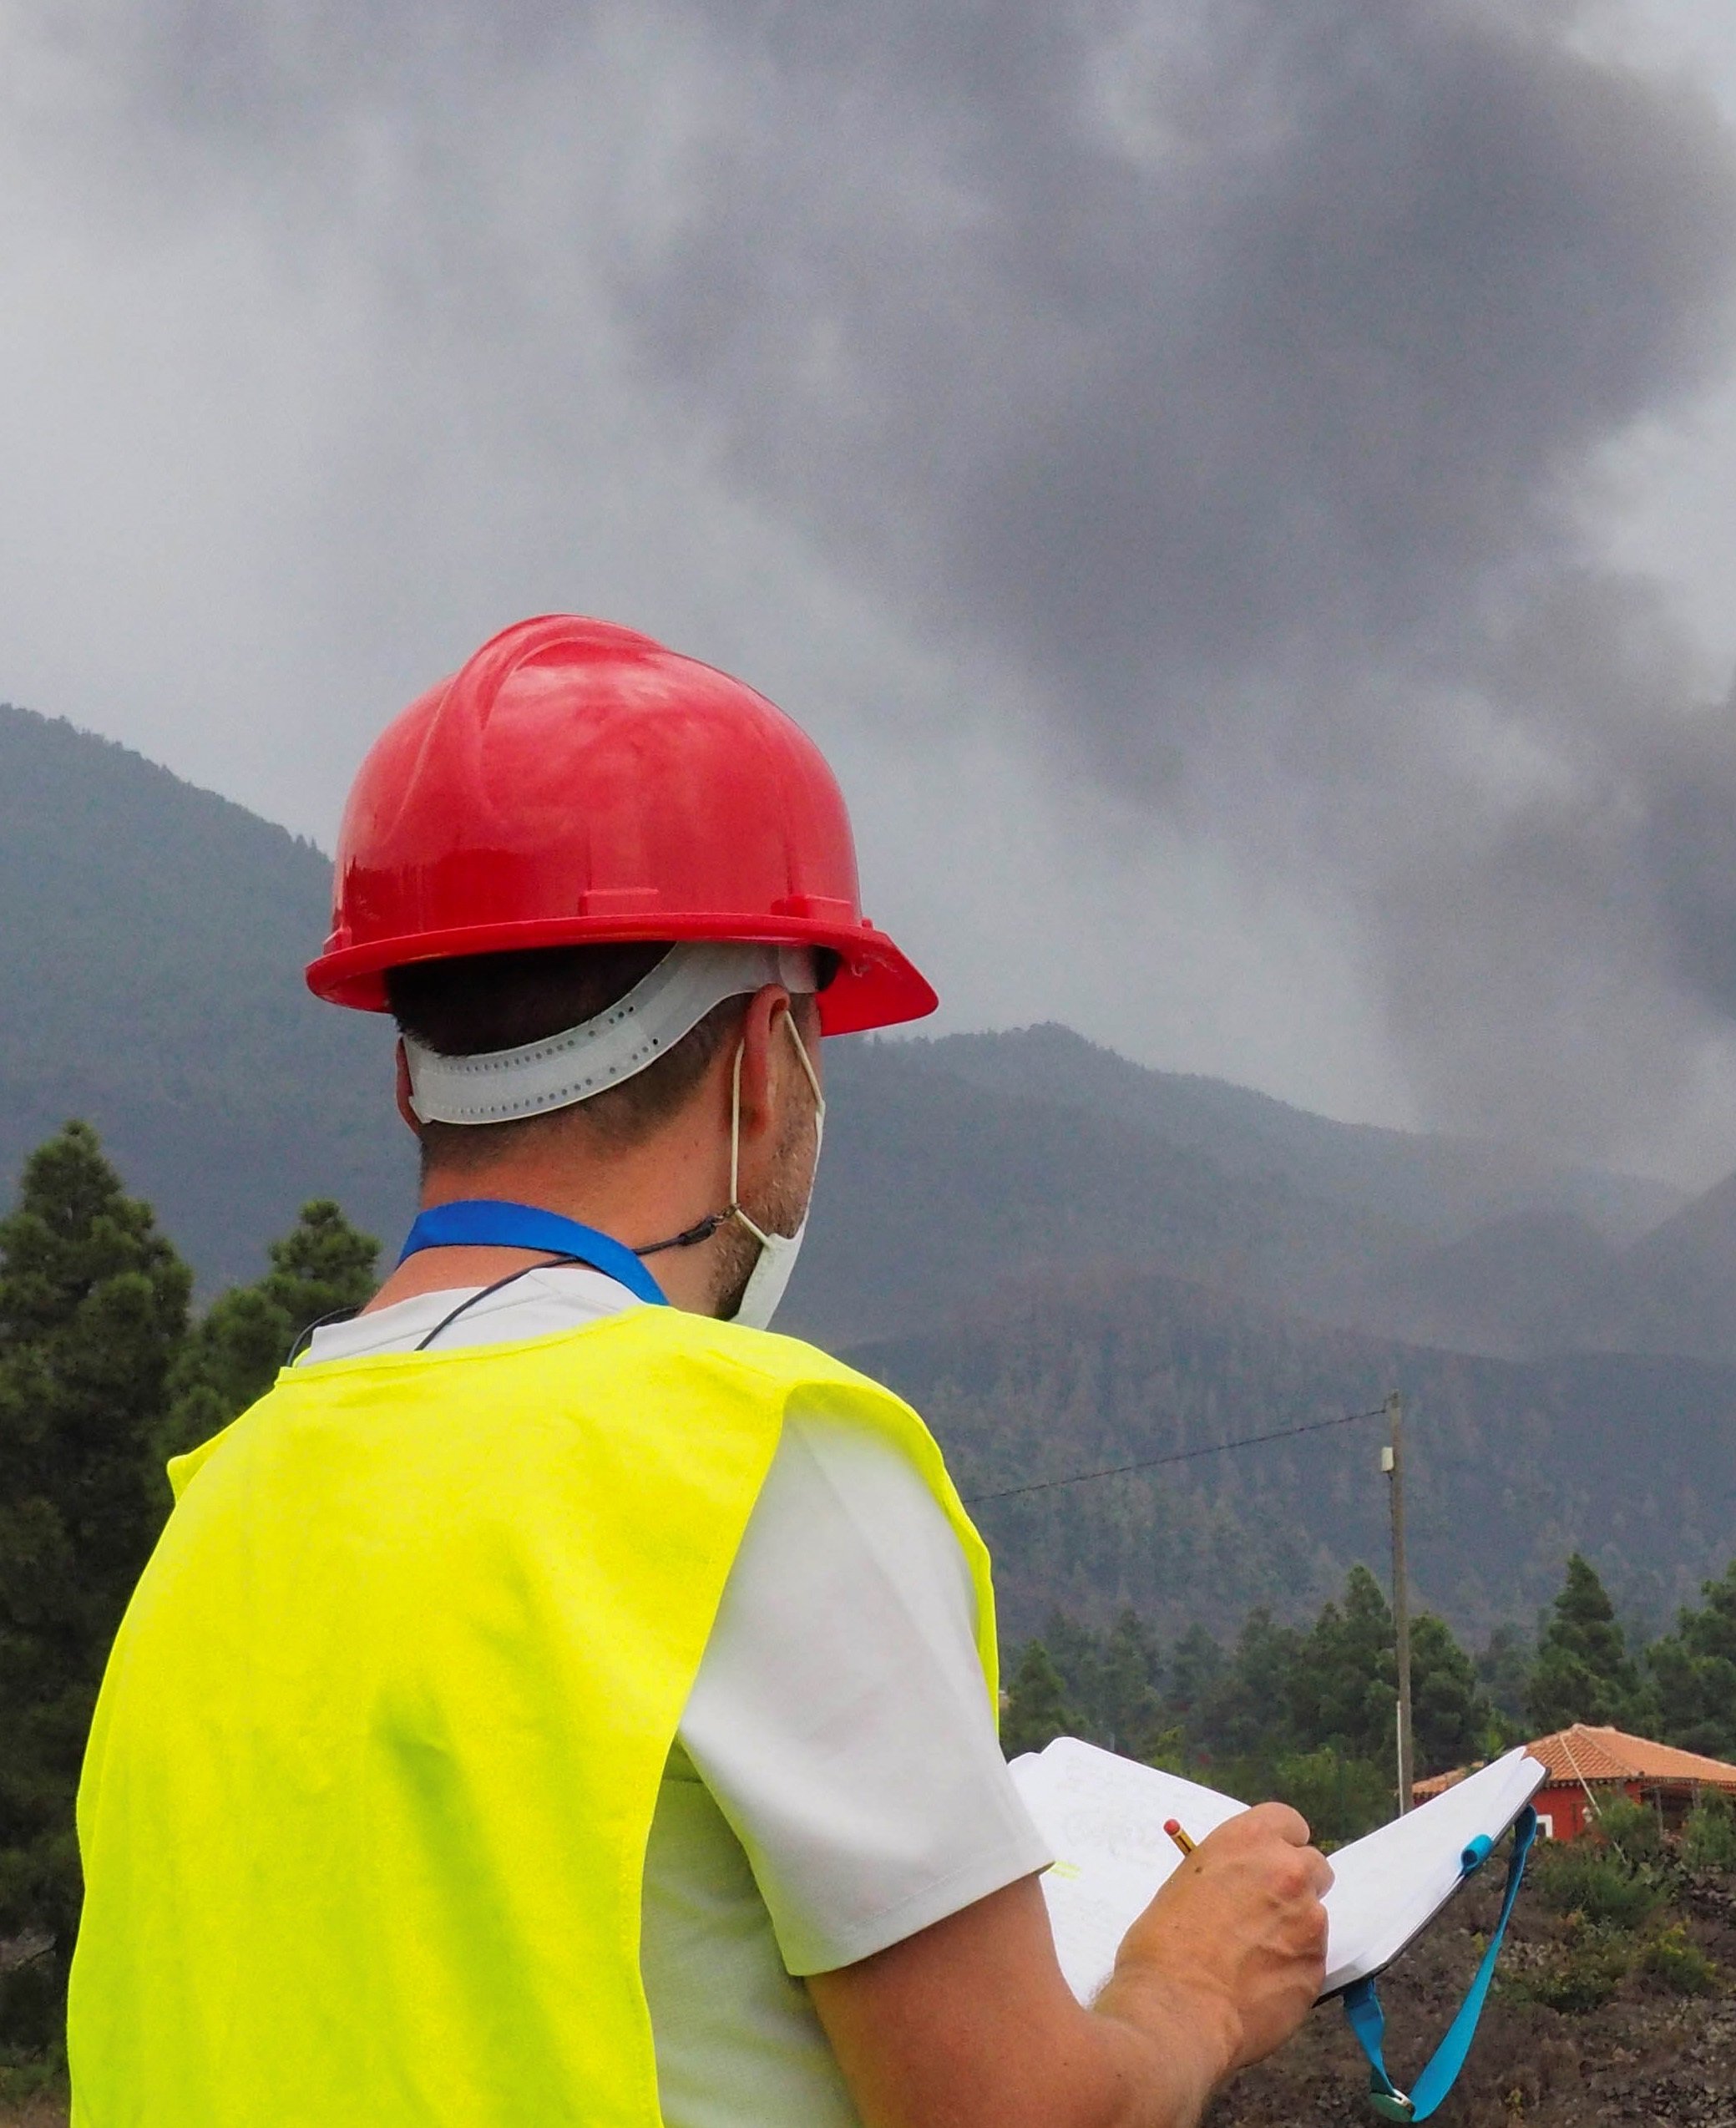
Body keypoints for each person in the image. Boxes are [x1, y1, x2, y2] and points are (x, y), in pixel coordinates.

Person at [69, 616, 1330, 2126]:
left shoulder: (219, 1506)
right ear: (764, 1060)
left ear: (409, 1071)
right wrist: (1186, 1995)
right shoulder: (749, 1462)